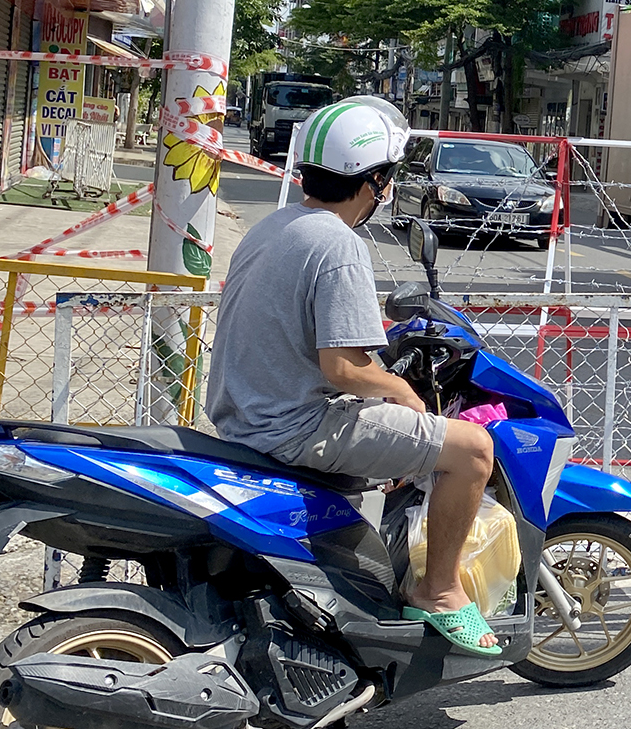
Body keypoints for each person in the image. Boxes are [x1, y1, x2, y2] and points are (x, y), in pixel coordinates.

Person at [204, 98, 504, 656]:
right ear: (376, 182)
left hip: (242, 412)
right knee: (472, 450)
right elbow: (343, 367)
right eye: (386, 180)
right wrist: (406, 394)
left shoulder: (275, 226)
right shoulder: (339, 243)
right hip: (294, 424)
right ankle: (437, 589)